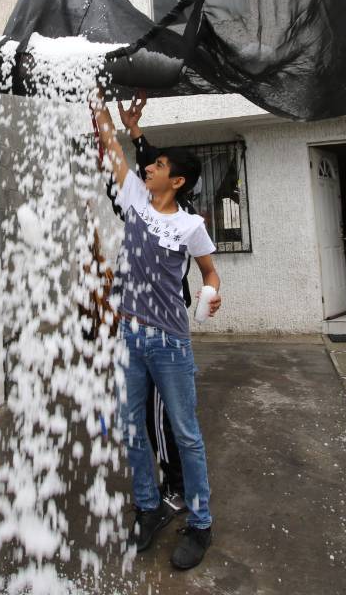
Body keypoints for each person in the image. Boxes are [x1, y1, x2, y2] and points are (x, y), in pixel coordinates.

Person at [91, 90, 222, 571]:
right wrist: (97, 99)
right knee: (132, 430)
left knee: (186, 435)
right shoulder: (134, 200)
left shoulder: (191, 226)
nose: (149, 166)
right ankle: (147, 509)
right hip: (131, 335)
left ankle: (201, 523)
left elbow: (209, 272)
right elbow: (110, 145)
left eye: (159, 164)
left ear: (178, 179)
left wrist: (212, 292)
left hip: (169, 342)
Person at [111, 93, 187, 517]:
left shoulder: (179, 216)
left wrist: (137, 134)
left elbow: (155, 173)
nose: (145, 174)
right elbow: (139, 172)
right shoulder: (138, 209)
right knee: (140, 418)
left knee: (165, 421)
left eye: (155, 170)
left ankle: (175, 487)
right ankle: (151, 494)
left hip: (164, 330)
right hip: (135, 326)